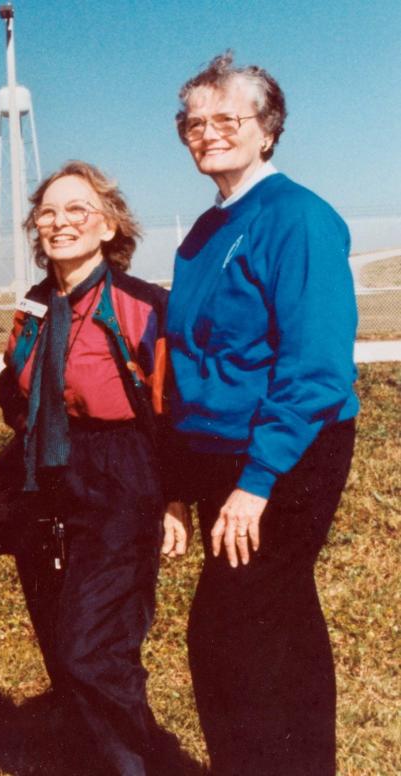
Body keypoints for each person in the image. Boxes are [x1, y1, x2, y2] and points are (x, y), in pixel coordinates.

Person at [167, 52, 357, 776]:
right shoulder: (203, 232)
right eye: (193, 122)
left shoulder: (297, 218)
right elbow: (192, 369)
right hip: (223, 458)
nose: (207, 133)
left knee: (229, 635)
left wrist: (257, 482)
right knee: (276, 625)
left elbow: (314, 368)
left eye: (226, 119)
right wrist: (176, 489)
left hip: (287, 453)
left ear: (266, 130)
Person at [0, 161, 187, 774]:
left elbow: (173, 407)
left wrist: (175, 499)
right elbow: (11, 385)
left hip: (119, 476)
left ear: (107, 226)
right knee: (60, 639)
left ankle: (138, 763)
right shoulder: (32, 305)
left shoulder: (143, 305)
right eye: (48, 212)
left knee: (93, 648)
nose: (60, 222)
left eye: (77, 209)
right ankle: (95, 757)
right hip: (45, 479)